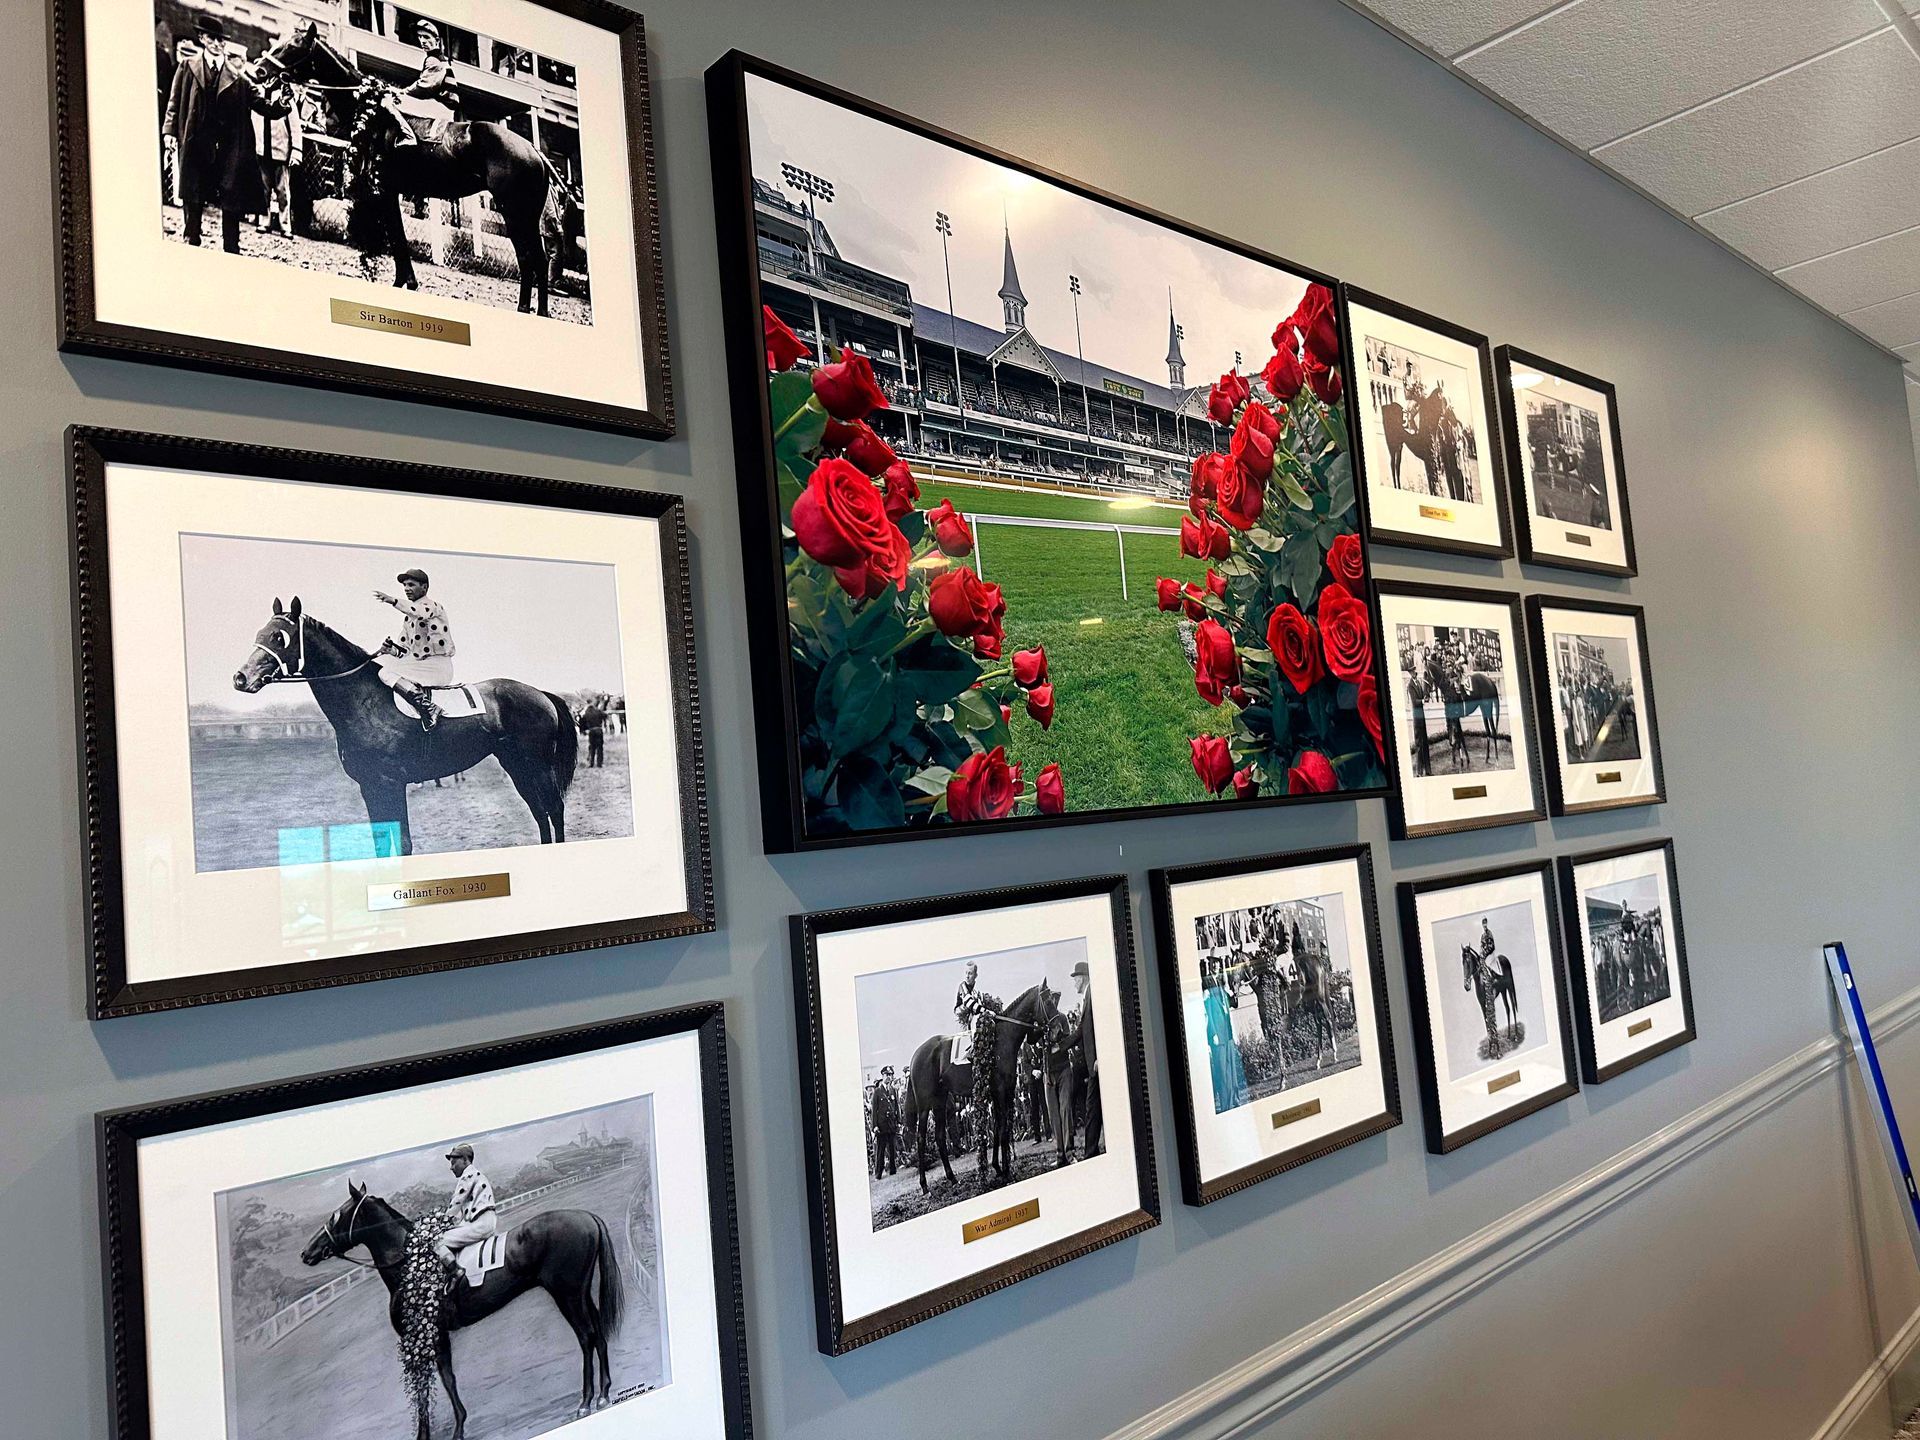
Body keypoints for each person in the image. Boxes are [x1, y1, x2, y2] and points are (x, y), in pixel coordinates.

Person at [163, 17, 290, 254]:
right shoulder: (188, 66)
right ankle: (191, 240)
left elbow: (263, 105)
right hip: (195, 142)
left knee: (231, 195)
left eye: (221, 40)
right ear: (202, 39)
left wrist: (283, 103)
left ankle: (231, 247)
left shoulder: (238, 78)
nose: (216, 44)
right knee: (193, 192)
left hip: (226, 148)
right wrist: (169, 132)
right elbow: (174, 101)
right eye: (211, 38)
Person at [372, 567, 454, 729]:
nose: (406, 589)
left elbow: (418, 611)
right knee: (378, 664)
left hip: (436, 666)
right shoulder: (409, 619)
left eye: (411, 585)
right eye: (404, 585)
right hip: (420, 664)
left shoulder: (433, 607)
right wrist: (390, 650)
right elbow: (405, 651)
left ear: (424, 587)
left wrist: (392, 601)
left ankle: (429, 708)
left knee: (385, 673)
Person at [378, 19, 460, 150]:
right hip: (443, 107)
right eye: (420, 37)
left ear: (437, 40)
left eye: (426, 37)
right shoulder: (439, 59)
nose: (423, 41)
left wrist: (400, 91)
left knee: (387, 101)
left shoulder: (433, 60)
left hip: (440, 108)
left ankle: (409, 136)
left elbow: (424, 87)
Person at [433, 1143, 497, 1281]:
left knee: (437, 1242)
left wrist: (440, 1223)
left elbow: (456, 1203)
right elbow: (461, 1213)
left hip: (480, 1224)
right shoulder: (476, 1175)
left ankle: (456, 1273)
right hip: (484, 1221)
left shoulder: (468, 1175)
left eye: (454, 1163)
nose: (451, 1168)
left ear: (465, 1160)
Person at [254, 80, 304, 236]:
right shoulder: (257, 93)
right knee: (263, 189)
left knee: (282, 191)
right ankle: (264, 221)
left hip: (280, 151)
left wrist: (296, 151)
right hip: (262, 150)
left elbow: (295, 127)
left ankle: (285, 225)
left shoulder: (284, 95)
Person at [1071, 960, 1102, 1156]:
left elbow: (1100, 1025)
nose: (1074, 983)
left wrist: (1100, 1056)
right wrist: (1060, 1046)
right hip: (1093, 1064)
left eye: (1075, 979)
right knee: (1094, 1108)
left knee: (1092, 1107)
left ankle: (1091, 1153)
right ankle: (1092, 1150)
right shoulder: (1087, 997)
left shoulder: (1093, 995)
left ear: (1082, 978)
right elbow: (1081, 1031)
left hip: (1097, 1063)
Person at [871, 1066, 899, 1178]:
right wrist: (874, 1126)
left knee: (892, 1149)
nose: (889, 1077)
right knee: (881, 1150)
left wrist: (898, 1121)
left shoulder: (893, 1090)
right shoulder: (877, 1092)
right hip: (881, 1126)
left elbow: (896, 1107)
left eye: (890, 1075)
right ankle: (878, 1173)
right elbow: (874, 1111)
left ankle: (893, 1170)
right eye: (887, 1075)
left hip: (891, 1124)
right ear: (882, 1076)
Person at [578, 694, 608, 768]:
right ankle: (599, 764)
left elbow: (582, 722)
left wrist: (584, 730)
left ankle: (591, 763)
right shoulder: (598, 710)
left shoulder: (586, 712)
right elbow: (605, 715)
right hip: (598, 730)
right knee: (600, 748)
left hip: (591, 731)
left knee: (592, 747)